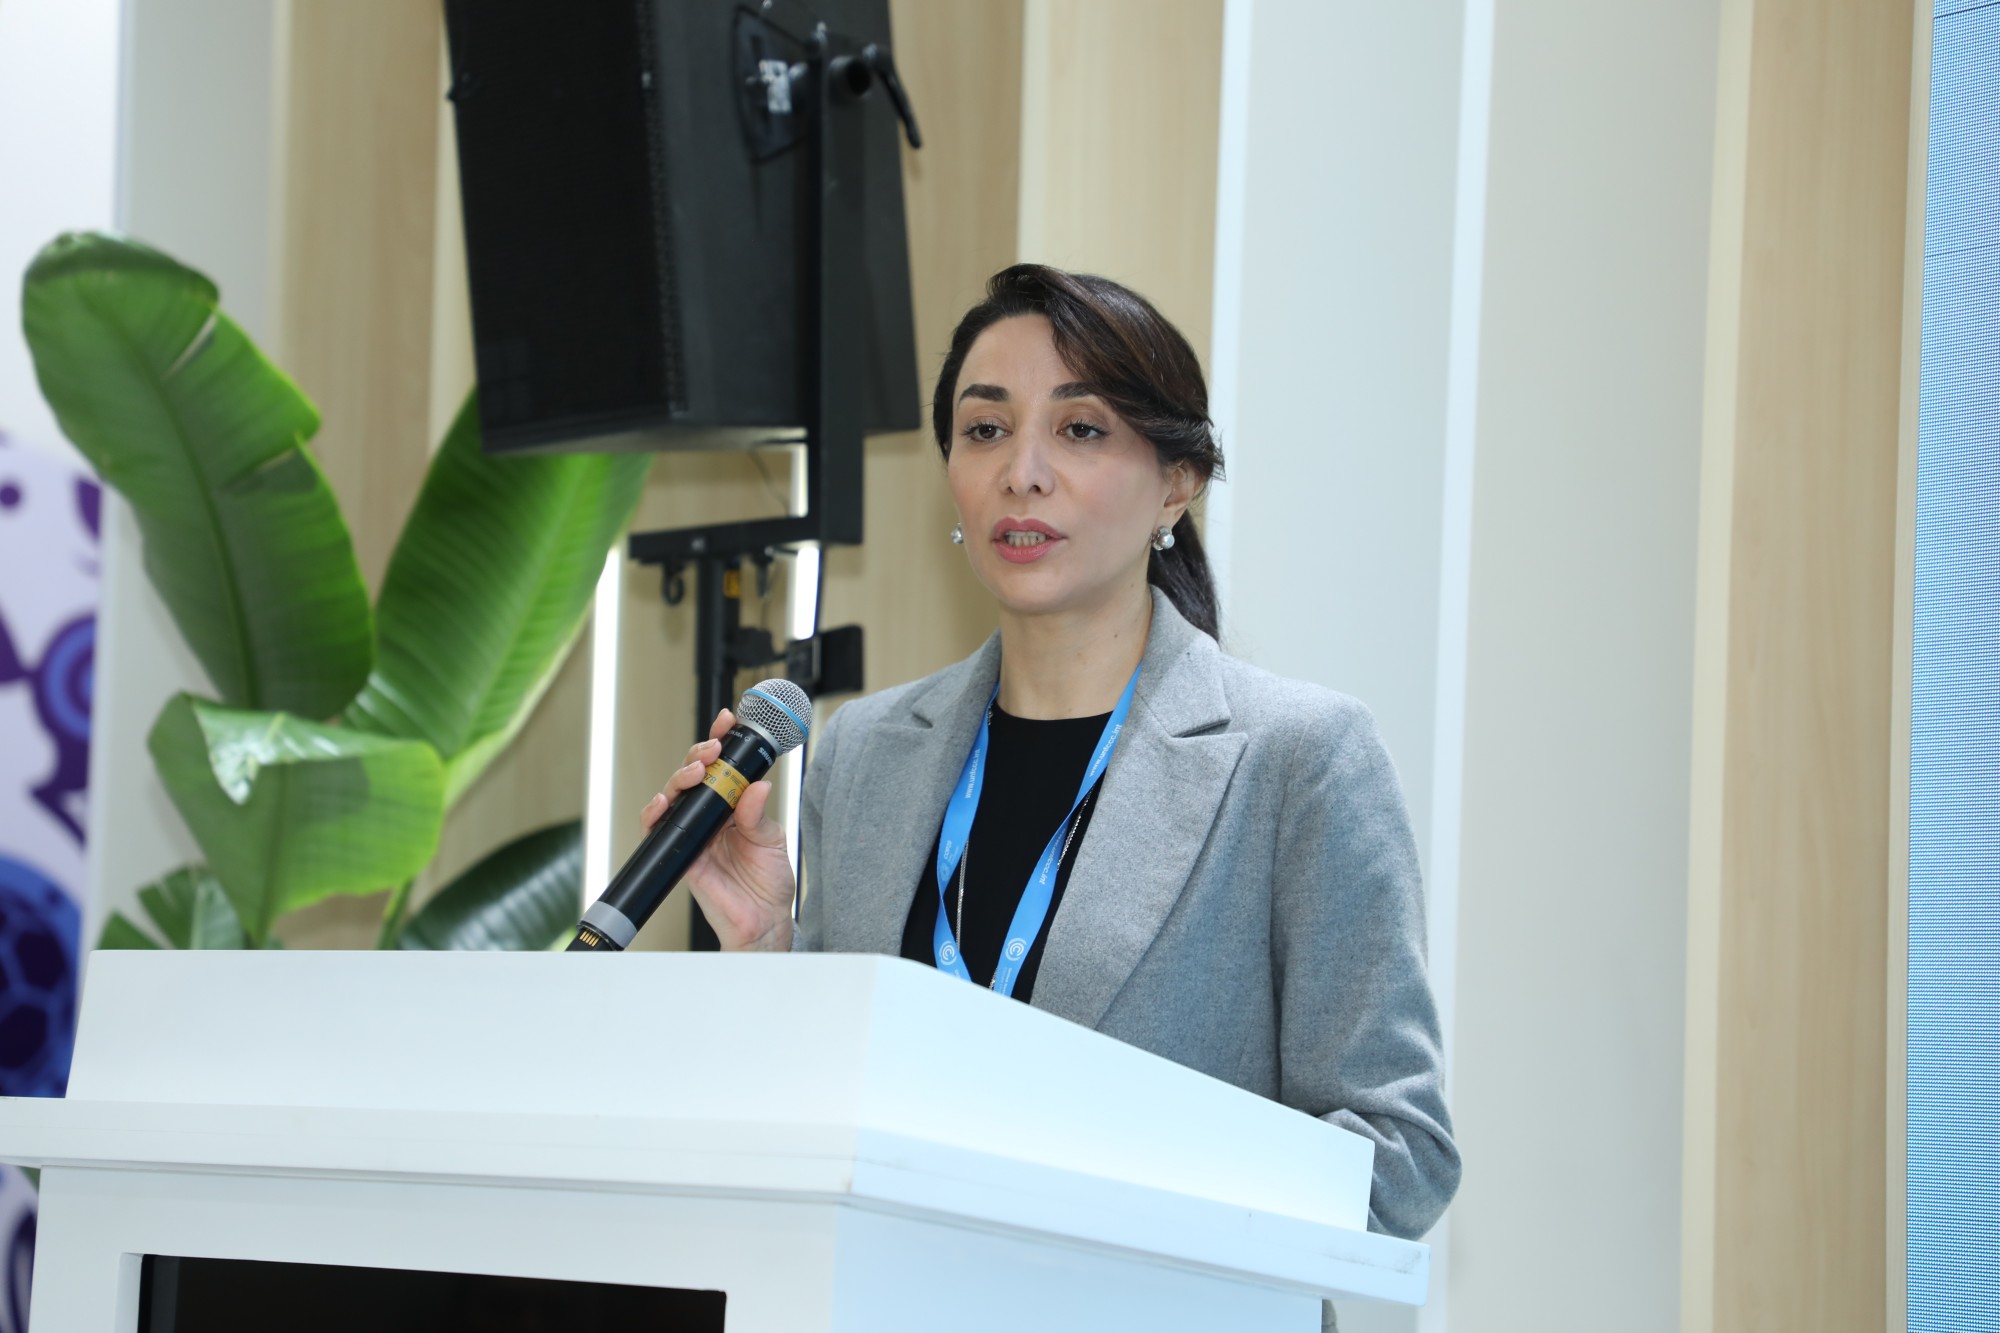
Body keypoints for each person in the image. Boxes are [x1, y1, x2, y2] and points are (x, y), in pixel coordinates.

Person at [640, 264, 1461, 1243]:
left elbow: (1398, 1160)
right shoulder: (864, 753)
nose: (1020, 471)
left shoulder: (1297, 758)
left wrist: (1093, 1189)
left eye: (1079, 429)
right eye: (986, 428)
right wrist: (764, 947)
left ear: (1177, 483)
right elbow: (819, 1126)